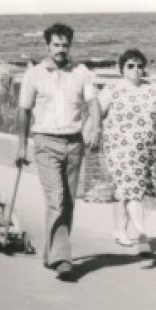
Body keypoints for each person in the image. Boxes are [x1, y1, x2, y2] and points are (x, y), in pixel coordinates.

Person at [16, 22, 100, 282]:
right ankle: (63, 258)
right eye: (56, 44)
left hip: (74, 143)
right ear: (47, 45)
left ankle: (51, 254)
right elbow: (24, 110)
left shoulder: (81, 72)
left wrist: (95, 126)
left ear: (70, 46)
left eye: (65, 45)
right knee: (57, 199)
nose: (61, 49)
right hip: (46, 142)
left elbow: (93, 103)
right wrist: (21, 145)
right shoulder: (34, 74)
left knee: (68, 202)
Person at [98, 48, 156, 254]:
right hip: (119, 149)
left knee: (125, 192)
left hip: (145, 150)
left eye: (140, 66)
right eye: (131, 66)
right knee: (132, 191)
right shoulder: (112, 89)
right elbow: (96, 113)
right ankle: (141, 233)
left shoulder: (152, 89)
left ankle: (119, 230)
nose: (136, 70)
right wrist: (88, 131)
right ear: (122, 68)